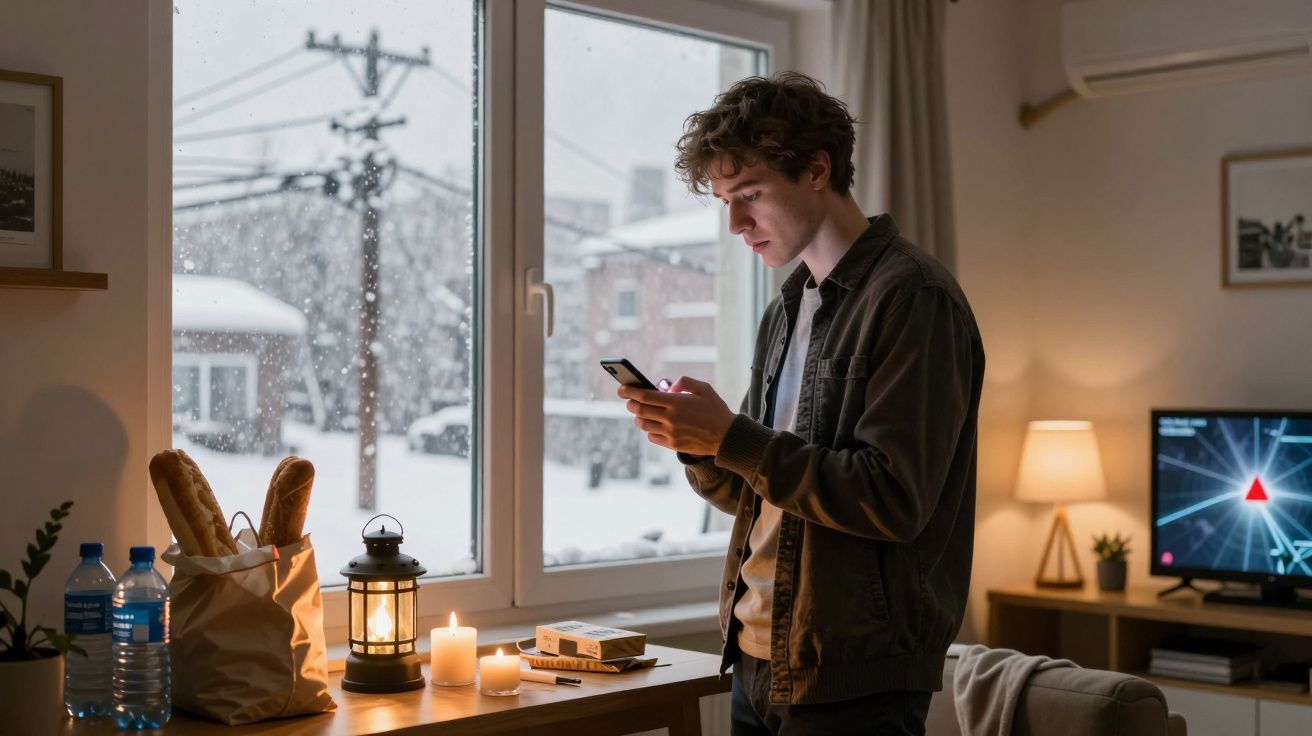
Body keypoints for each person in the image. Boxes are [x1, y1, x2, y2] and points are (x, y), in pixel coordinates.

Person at [617, 71, 985, 735]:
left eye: (749, 195)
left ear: (818, 170)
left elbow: (892, 498)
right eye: (725, 200)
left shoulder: (913, 300)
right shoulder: (787, 308)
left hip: (854, 676)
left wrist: (732, 436)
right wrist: (698, 440)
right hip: (758, 658)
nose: (734, 223)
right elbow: (764, 495)